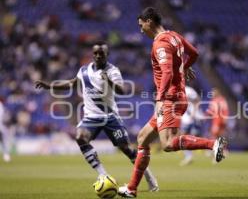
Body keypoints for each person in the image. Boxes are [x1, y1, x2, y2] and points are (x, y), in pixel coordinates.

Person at [118, 7, 227, 198]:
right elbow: (194, 53)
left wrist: (160, 98)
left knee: (167, 144)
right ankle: (132, 189)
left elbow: (167, 72)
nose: (140, 29)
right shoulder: (174, 36)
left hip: (170, 99)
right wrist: (184, 67)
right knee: (143, 138)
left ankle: (213, 144)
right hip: (177, 96)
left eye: (141, 24)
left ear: (149, 21)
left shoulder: (160, 44)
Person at [35, 42, 158, 192]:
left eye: (102, 53)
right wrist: (50, 86)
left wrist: (108, 80)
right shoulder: (84, 71)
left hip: (110, 116)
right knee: (80, 137)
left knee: (125, 148)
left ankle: (149, 176)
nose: (98, 56)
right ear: (92, 54)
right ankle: (103, 175)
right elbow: (72, 83)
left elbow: (121, 91)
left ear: (107, 55)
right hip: (91, 116)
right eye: (96, 53)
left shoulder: (113, 71)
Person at [179, 86, 205, 166]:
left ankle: (212, 150)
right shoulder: (174, 90)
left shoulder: (188, 90)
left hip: (192, 117)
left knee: (192, 137)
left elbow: (197, 100)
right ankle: (189, 156)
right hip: (185, 118)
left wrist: (194, 112)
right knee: (184, 137)